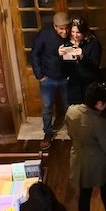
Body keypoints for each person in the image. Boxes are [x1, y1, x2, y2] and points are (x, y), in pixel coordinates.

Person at [67, 82, 106, 211]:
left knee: (84, 193)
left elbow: (70, 133)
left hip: (77, 156)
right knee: (105, 185)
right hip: (96, 159)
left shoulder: (71, 111)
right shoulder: (98, 121)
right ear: (98, 103)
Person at [31, 11, 70, 150]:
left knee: (69, 107)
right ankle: (47, 133)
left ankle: (73, 132)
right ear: (54, 26)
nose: (64, 31)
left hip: (66, 77)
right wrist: (39, 75)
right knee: (47, 108)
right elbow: (35, 54)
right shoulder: (44, 34)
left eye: (66, 27)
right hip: (48, 78)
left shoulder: (73, 33)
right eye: (61, 28)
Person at [61, 18, 102, 105]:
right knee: (75, 111)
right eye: (72, 32)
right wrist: (61, 56)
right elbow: (64, 67)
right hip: (74, 84)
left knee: (89, 110)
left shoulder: (93, 43)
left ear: (84, 32)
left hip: (88, 83)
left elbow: (95, 65)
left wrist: (82, 56)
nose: (75, 35)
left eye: (78, 32)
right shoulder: (67, 43)